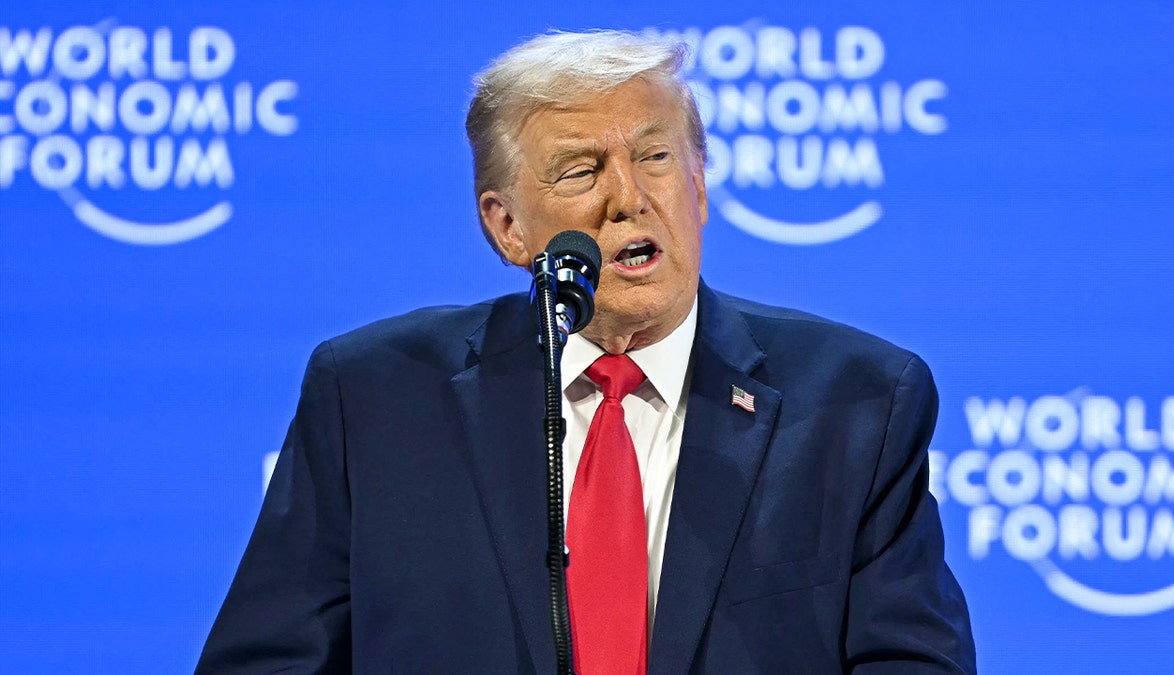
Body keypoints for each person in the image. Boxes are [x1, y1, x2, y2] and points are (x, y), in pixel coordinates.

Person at [197, 30, 975, 674]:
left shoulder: (857, 402)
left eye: (657, 158)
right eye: (582, 170)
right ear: (506, 228)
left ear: (699, 187)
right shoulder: (374, 397)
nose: (628, 196)